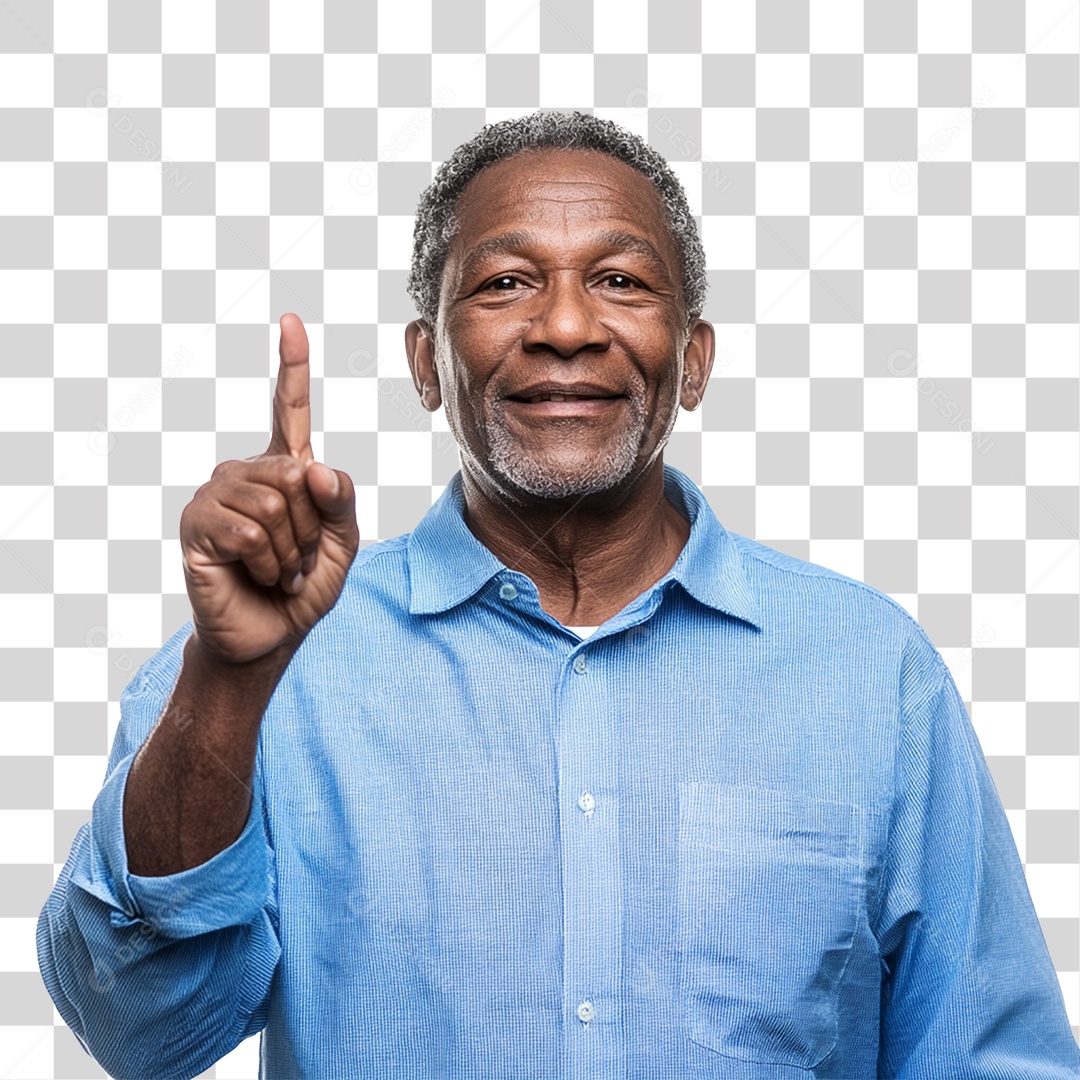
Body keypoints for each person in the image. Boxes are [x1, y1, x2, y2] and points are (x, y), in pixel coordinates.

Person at [38, 111, 1078, 1079]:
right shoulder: (263, 666)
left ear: (695, 358)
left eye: (622, 281)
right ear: (427, 362)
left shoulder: (868, 670)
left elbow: (990, 1056)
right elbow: (141, 1033)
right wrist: (225, 686)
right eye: (504, 285)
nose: (567, 326)